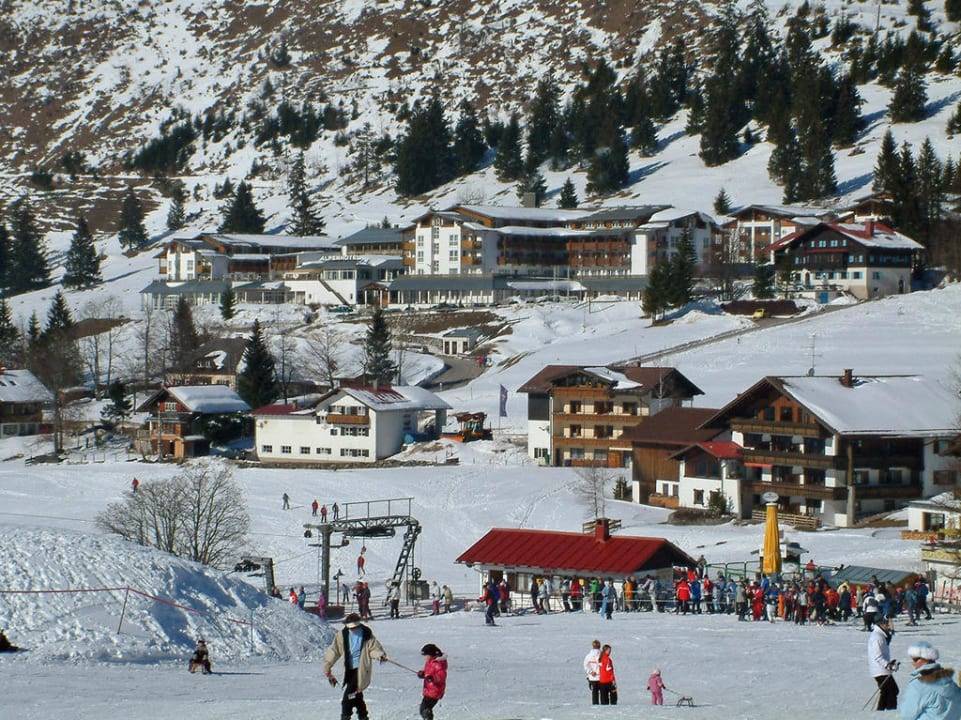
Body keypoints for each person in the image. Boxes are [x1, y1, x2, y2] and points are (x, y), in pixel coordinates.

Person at [322, 613, 388, 720]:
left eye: (356, 627)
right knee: (357, 696)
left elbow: (373, 649)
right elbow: (334, 651)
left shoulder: (366, 634)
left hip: (361, 670)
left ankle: (346, 716)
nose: (354, 630)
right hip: (348, 670)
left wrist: (380, 655)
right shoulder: (342, 635)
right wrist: (327, 665)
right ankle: (363, 716)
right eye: (351, 628)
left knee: (348, 697)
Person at [900, 640, 961, 720]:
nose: (913, 663)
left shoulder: (918, 685)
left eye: (915, 659)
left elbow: (907, 715)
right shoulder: (948, 682)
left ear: (925, 659)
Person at [867, 616, 899, 711]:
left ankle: (881, 712)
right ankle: (889, 712)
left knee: (887, 691)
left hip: (882, 669)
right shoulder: (877, 637)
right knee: (892, 691)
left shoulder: (881, 635)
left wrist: (889, 663)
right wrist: (888, 665)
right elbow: (877, 656)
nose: (888, 626)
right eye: (886, 624)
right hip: (880, 670)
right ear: (880, 624)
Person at [416, 643, 448, 720]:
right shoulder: (430, 662)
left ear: (431, 655)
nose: (425, 657)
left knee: (424, 708)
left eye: (426, 655)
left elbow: (441, 676)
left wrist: (433, 678)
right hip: (429, 690)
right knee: (424, 708)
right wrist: (423, 673)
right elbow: (428, 672)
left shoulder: (438, 664)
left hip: (435, 691)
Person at [583, 639, 602, 705]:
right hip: (601, 678)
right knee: (603, 694)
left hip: (592, 678)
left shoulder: (588, 656)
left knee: (594, 694)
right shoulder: (603, 656)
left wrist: (591, 672)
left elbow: (585, 665)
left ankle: (595, 706)